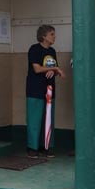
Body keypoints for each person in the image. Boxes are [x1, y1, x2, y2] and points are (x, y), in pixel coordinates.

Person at [26, 24, 64, 158]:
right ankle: (32, 147)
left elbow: (54, 69)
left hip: (49, 89)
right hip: (35, 89)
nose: (54, 37)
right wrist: (53, 69)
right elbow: (36, 69)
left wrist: (54, 71)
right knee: (34, 119)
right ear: (43, 36)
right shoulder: (34, 49)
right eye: (52, 34)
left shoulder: (52, 51)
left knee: (48, 118)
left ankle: (46, 145)